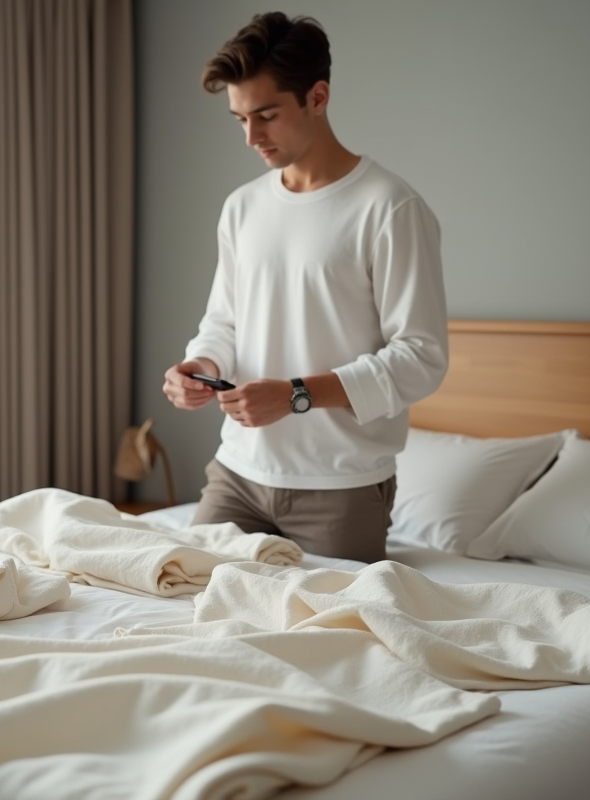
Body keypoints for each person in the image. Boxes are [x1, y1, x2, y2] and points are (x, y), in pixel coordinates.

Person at [161, 11, 448, 563]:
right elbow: (225, 320)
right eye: (239, 119)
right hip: (237, 475)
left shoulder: (390, 209)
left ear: (317, 98)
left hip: (340, 489)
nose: (250, 137)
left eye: (265, 115)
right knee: (180, 607)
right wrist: (200, 366)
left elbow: (421, 358)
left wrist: (295, 395)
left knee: (322, 639)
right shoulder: (242, 207)